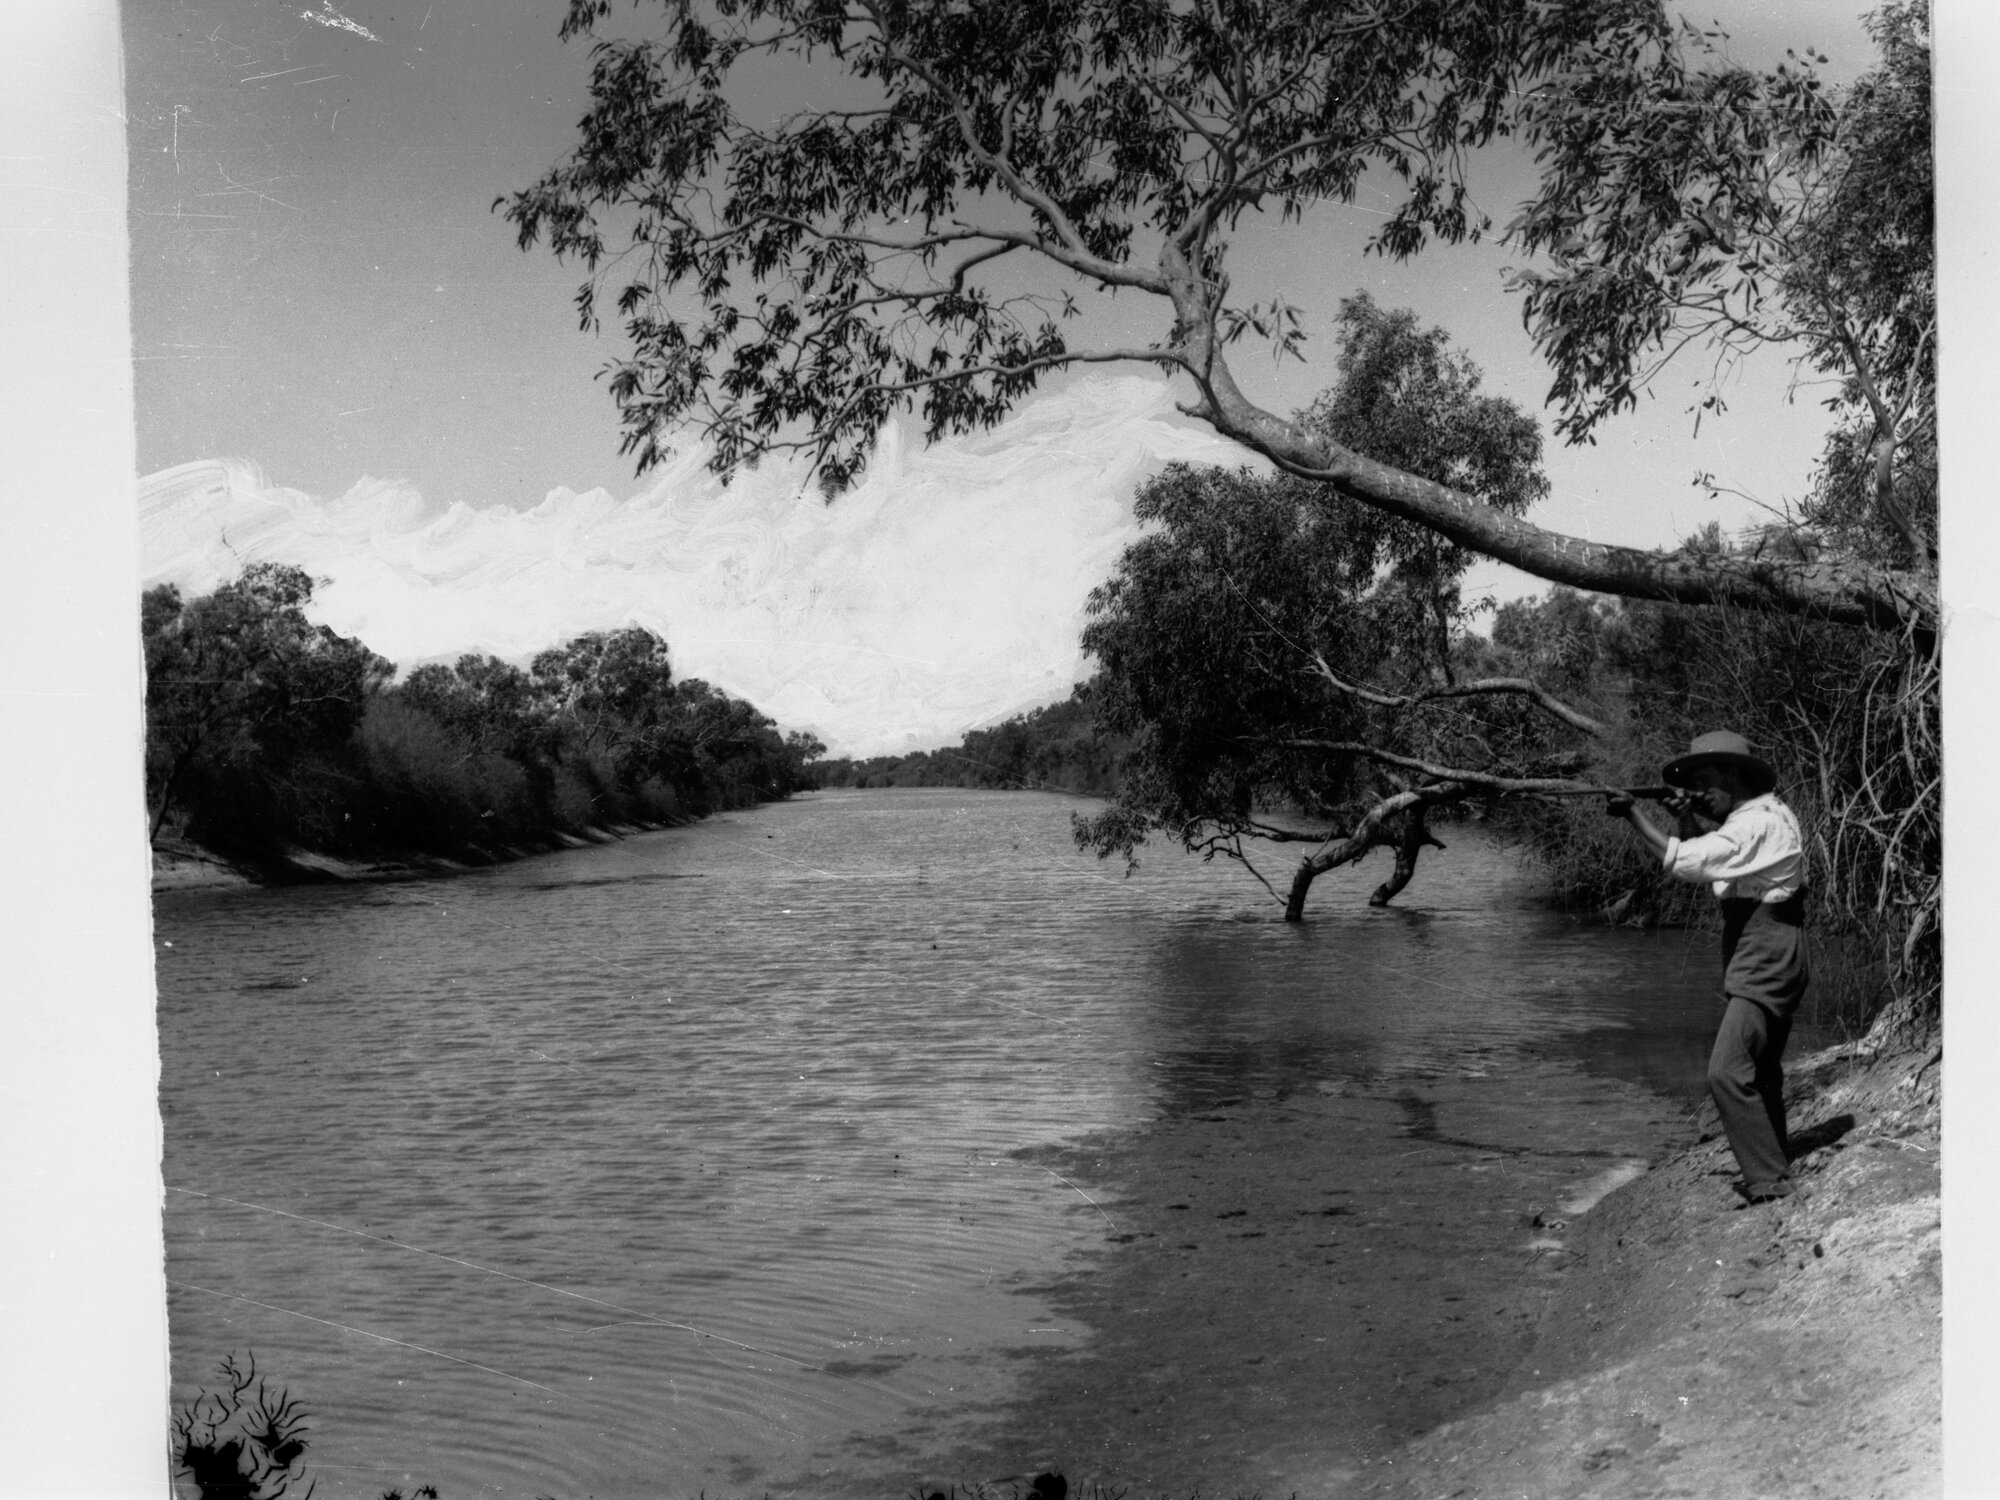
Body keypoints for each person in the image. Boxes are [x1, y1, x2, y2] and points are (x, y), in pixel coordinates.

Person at [1605, 731, 1808, 1206]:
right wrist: (1683, 817)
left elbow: (1692, 863)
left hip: (1766, 956)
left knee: (1726, 1072)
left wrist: (1635, 814)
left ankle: (1770, 1181)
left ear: (1734, 775)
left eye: (1705, 781)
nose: (1698, 790)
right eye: (1692, 783)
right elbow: (1718, 866)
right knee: (1760, 1070)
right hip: (1770, 952)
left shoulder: (1755, 823)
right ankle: (1776, 1160)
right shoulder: (1756, 817)